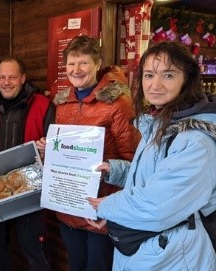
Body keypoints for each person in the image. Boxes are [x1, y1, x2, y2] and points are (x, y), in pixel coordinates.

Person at [88, 41, 216, 270]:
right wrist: (116, 171)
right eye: (148, 75)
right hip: (150, 248)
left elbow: (158, 204)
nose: (155, 85)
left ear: (187, 79)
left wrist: (106, 206)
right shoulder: (162, 122)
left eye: (168, 75)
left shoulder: (196, 140)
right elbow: (155, 176)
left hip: (176, 256)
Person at [36, 35, 140, 271]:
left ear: (97, 63)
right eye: (71, 64)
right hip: (69, 205)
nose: (76, 70)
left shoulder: (118, 103)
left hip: (100, 209)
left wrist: (114, 203)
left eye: (83, 63)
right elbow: (62, 150)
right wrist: (48, 147)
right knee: (76, 264)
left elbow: (132, 159)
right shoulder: (63, 103)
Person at [0, 57, 54, 271]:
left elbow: (53, 143)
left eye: (12, 77)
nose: (7, 82)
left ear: (23, 78)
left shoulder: (43, 105)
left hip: (30, 190)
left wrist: (47, 148)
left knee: (32, 247)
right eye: (2, 77)